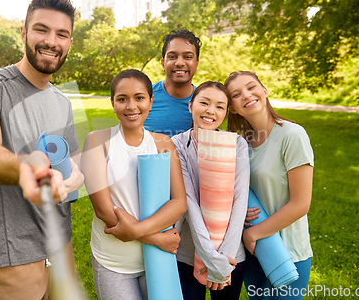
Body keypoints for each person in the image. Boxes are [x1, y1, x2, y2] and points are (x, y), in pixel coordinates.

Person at [0, 0, 85, 300]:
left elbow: (73, 161)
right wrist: (24, 168)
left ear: (70, 42)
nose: (51, 41)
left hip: (62, 245)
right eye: (41, 29)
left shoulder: (64, 102)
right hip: (16, 252)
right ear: (24, 32)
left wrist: (77, 177)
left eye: (62, 34)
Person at [81, 69, 187, 300]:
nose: (131, 106)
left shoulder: (163, 144)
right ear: (112, 103)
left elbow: (179, 202)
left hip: (158, 259)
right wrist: (156, 238)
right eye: (122, 99)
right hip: (114, 262)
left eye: (139, 98)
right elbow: (103, 210)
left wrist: (137, 232)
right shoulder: (97, 141)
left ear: (151, 100)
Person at [224, 71, 314, 300]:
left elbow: (301, 204)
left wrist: (253, 233)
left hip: (287, 251)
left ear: (264, 90)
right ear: (232, 107)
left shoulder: (292, 135)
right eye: (236, 94)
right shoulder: (240, 143)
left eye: (251, 87)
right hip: (253, 252)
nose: (246, 95)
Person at [172, 81, 250, 300]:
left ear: (226, 112)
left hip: (231, 255)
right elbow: (189, 203)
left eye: (219, 106)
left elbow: (240, 200)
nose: (210, 111)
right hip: (187, 253)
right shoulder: (176, 144)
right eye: (204, 103)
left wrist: (224, 259)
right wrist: (211, 259)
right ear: (190, 105)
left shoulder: (238, 144)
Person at [143, 28, 201, 137]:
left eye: (188, 57)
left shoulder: (205, 102)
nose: (179, 63)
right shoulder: (144, 97)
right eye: (172, 57)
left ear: (196, 63)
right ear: (163, 63)